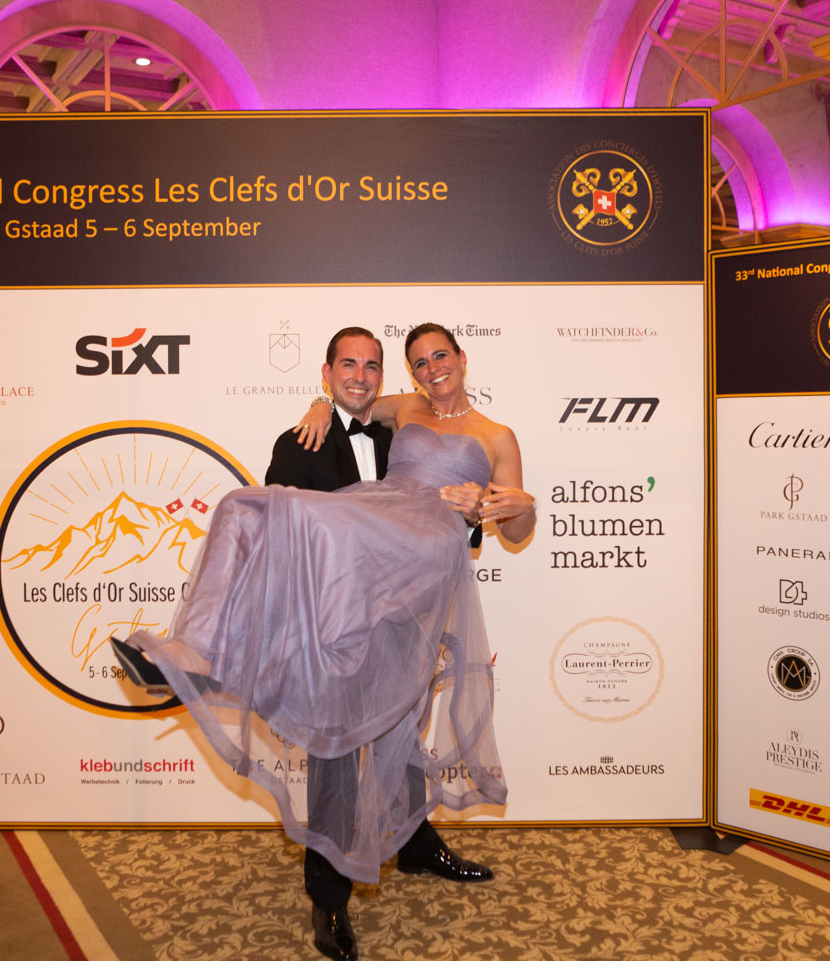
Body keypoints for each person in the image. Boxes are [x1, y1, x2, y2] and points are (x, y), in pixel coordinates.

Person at [111, 322, 535, 960]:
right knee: (245, 510)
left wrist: (500, 502)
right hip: (339, 602)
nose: (431, 368)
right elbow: (341, 421)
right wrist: (317, 405)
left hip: (419, 572)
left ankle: (414, 843)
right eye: (420, 362)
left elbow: (518, 525)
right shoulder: (391, 412)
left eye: (439, 356)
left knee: (401, 720)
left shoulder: (495, 435)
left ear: (461, 357)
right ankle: (195, 659)